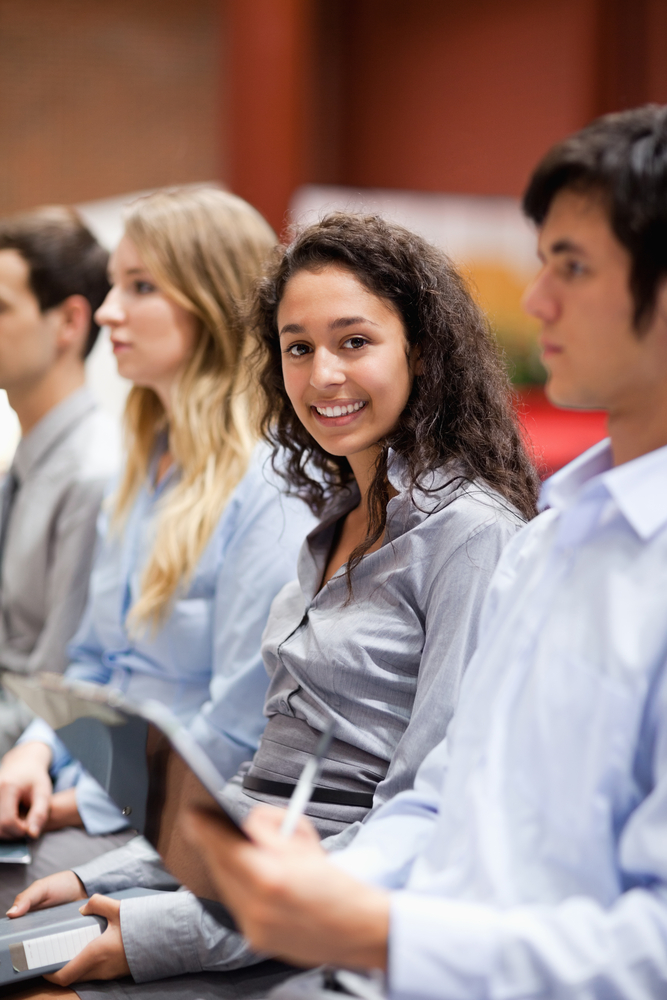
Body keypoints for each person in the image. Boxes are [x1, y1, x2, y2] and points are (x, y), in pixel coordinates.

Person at [173, 105, 667, 1000]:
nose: (536, 301)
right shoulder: (552, 542)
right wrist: (319, 894)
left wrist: (378, 928)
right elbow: (437, 799)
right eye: (298, 347)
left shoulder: (485, 534)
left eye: (573, 266)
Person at [8, 213, 538, 998]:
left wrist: (166, 928)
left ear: (421, 350)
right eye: (298, 347)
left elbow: (415, 818)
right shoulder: (332, 517)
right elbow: (260, 789)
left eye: (353, 342)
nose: (322, 373)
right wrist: (112, 876)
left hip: (332, 909)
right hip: (245, 877)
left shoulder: (470, 535)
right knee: (27, 940)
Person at [0, 187, 313, 906]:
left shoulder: (269, 484)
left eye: (139, 287)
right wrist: (34, 751)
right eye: (114, 284)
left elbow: (239, 721)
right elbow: (88, 662)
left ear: (212, 302)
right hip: (88, 793)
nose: (108, 311)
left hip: (167, 823)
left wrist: (83, 804)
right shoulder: (146, 463)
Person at [0, 207, 119, 757]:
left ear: (70, 322)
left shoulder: (96, 473)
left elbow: (56, 689)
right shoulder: (25, 465)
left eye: (1, 308)